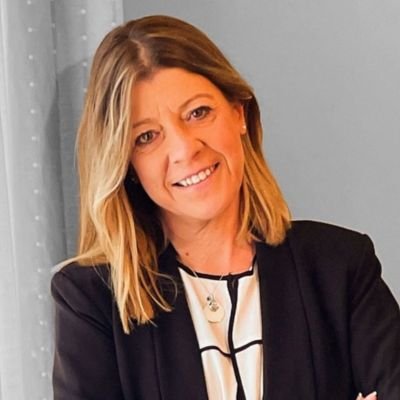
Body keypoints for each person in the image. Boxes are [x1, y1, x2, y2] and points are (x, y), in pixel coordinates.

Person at [51, 15, 400, 400]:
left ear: (239, 113)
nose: (184, 149)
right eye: (147, 136)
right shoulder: (91, 299)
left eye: (197, 113)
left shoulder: (340, 266)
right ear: (126, 163)